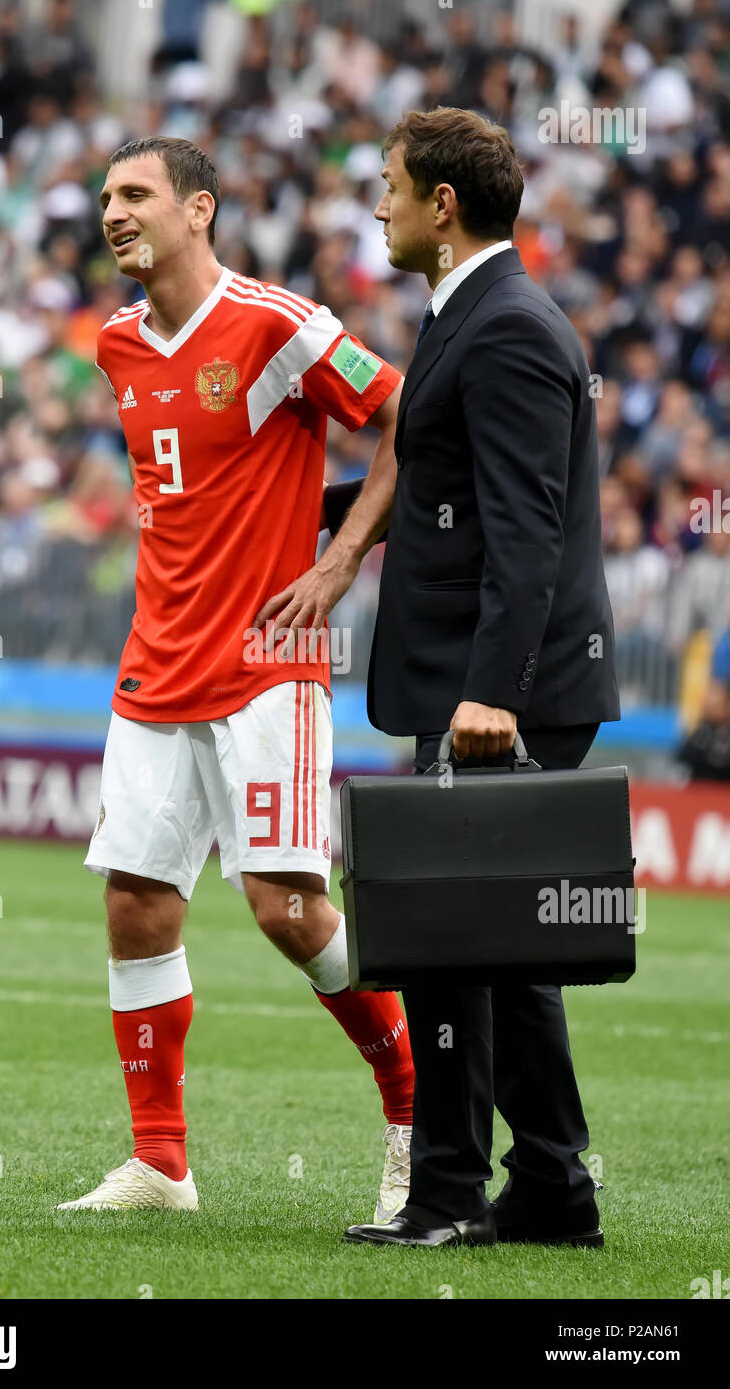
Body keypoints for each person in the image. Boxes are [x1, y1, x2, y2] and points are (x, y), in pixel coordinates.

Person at [258, 108, 621, 1248]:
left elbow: (527, 531)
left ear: (441, 205)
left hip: (501, 689)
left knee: (455, 937)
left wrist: (497, 692)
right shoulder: (473, 314)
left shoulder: (504, 326)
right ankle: (551, 1188)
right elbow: (439, 498)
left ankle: (454, 1191)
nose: (376, 206)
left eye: (388, 186)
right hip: (486, 680)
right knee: (498, 939)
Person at [58, 137, 415, 1219]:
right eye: (104, 197)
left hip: (270, 659)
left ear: (198, 209)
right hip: (156, 661)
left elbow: (401, 418)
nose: (112, 212)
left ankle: (416, 1106)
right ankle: (162, 1163)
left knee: (287, 906)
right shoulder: (118, 343)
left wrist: (342, 558)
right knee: (134, 904)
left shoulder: (278, 326)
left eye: (135, 195)